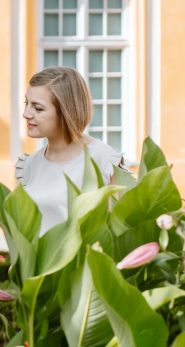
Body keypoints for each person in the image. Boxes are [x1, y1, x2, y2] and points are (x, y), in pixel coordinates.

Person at [17, 66, 132, 235]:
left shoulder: (105, 161)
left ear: (65, 111)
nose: (26, 114)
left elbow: (120, 233)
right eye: (27, 103)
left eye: (38, 108)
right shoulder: (29, 165)